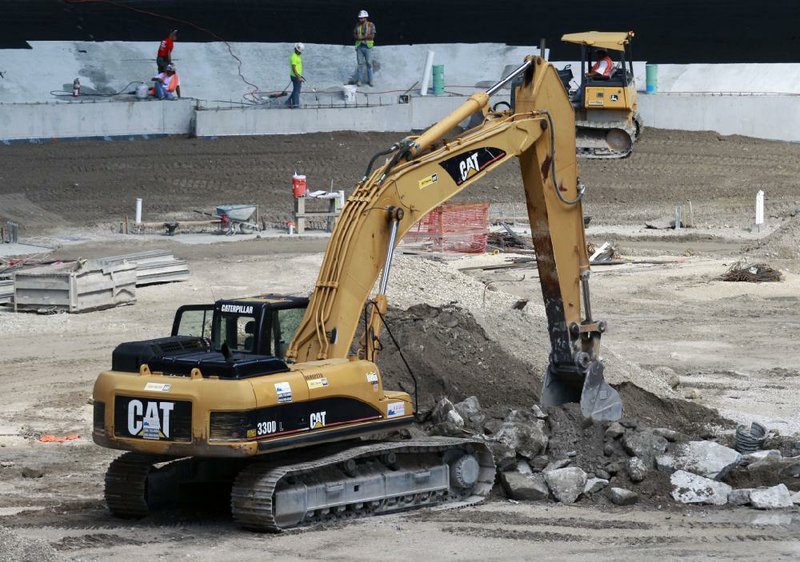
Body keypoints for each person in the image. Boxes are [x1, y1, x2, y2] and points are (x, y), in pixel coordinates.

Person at [353, 9, 376, 86]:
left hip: (368, 47)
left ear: (366, 18)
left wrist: (361, 37)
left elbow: (372, 36)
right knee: (360, 64)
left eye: (362, 18)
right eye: (359, 18)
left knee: (369, 64)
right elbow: (354, 34)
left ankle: (371, 80)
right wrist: (360, 37)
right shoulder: (357, 25)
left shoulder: (371, 25)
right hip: (359, 47)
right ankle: (359, 81)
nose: (360, 19)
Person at [286, 43, 305, 108]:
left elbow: (298, 68)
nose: (300, 53)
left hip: (297, 76)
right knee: (297, 92)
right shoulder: (294, 56)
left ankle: (288, 102)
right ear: (296, 50)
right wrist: (298, 77)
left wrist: (300, 76)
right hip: (295, 76)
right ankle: (296, 106)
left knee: (296, 90)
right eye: (300, 51)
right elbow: (294, 69)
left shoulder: (297, 56)